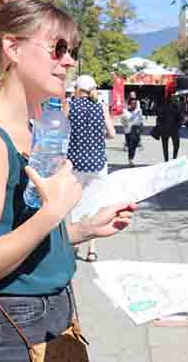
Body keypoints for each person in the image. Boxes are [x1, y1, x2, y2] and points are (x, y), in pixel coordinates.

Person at [0, 0, 136, 362]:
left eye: (71, 50)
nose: (70, 61)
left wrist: (83, 230)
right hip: (6, 327)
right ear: (12, 47)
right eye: (58, 48)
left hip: (51, 315)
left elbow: (15, 234)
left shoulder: (30, 132)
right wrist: (53, 212)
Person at [67, 74, 117, 263]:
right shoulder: (101, 107)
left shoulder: (71, 106)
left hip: (76, 163)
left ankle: (73, 245)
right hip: (97, 163)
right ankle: (92, 250)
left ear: (78, 90)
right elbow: (112, 134)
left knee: (76, 203)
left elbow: (63, 131)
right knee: (94, 205)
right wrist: (96, 137)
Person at [155, 94, 183, 162]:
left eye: (173, 98)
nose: (172, 99)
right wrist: (159, 126)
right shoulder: (163, 106)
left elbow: (180, 117)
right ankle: (167, 160)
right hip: (165, 129)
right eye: (171, 98)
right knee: (166, 146)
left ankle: (173, 158)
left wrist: (178, 126)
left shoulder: (176, 106)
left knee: (176, 145)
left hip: (173, 129)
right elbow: (158, 117)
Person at [121, 95, 144, 166]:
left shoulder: (139, 110)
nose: (134, 105)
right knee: (130, 145)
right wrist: (125, 122)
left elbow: (141, 120)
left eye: (135, 103)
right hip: (128, 130)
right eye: (132, 103)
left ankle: (131, 159)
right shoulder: (125, 111)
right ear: (129, 104)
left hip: (136, 129)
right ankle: (131, 159)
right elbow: (123, 120)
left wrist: (141, 127)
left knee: (134, 145)